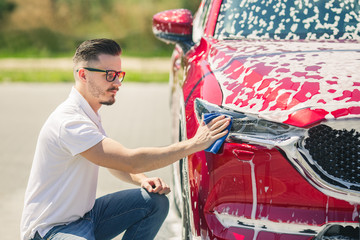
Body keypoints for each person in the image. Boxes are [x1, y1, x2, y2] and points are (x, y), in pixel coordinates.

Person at [20, 38, 230, 240]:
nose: (118, 82)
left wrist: (142, 180)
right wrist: (195, 143)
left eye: (119, 74)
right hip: (51, 230)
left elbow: (113, 162)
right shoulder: (70, 122)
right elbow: (130, 160)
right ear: (83, 75)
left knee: (154, 203)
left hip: (86, 217)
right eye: (109, 75)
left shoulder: (88, 113)